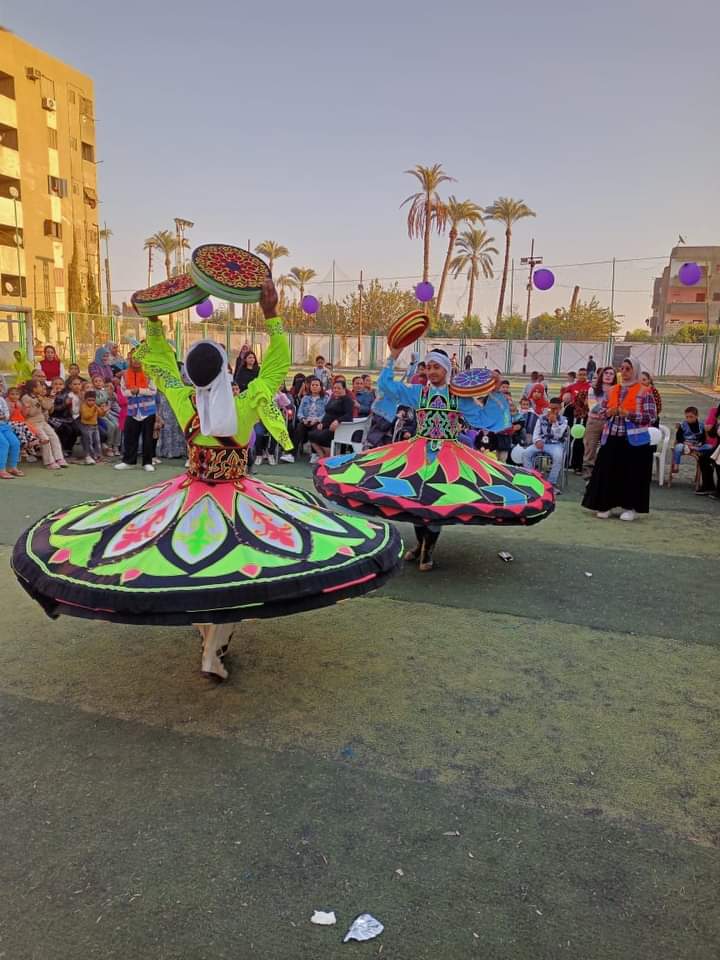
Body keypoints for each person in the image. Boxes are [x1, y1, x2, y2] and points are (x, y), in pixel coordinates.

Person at [12, 278, 401, 682]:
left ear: (195, 377)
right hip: (239, 499)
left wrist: (154, 321)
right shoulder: (247, 403)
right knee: (231, 576)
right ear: (224, 371)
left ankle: (208, 637)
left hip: (189, 495)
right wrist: (271, 316)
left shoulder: (185, 401)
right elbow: (276, 366)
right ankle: (212, 647)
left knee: (198, 569)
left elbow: (162, 366)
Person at [314, 347, 555, 572]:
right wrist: (393, 356)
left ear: (446, 370)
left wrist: (493, 389)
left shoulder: (458, 396)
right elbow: (387, 386)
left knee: (436, 501)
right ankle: (421, 545)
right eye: (428, 367)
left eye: (436, 367)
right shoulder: (418, 392)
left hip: (449, 456)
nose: (431, 371)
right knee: (417, 501)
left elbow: (483, 418)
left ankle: (427, 551)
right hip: (416, 453)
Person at [582, 357, 657, 521]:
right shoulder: (612, 390)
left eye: (628, 369)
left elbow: (651, 416)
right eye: (622, 368)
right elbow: (601, 410)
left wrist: (629, 414)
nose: (623, 372)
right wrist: (608, 412)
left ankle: (629, 507)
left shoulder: (645, 391)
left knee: (631, 475)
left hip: (635, 441)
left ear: (635, 370)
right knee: (607, 472)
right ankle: (605, 505)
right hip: (611, 436)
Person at [115, 354, 157, 472]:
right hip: (132, 411)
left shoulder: (149, 374)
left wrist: (139, 390)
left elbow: (153, 390)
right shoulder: (125, 375)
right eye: (134, 358)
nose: (136, 361)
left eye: (139, 358)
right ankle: (129, 461)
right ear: (130, 360)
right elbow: (123, 391)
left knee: (147, 437)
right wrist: (131, 392)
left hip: (148, 411)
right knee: (130, 437)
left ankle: (147, 462)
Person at [522, 397, 568, 494]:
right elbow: (536, 433)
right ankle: (533, 479)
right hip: (542, 442)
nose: (553, 411)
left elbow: (558, 436)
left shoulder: (564, 420)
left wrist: (555, 423)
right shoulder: (541, 418)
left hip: (555, 444)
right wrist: (537, 440)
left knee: (558, 456)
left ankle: (551, 483)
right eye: (551, 408)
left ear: (560, 409)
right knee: (526, 453)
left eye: (555, 409)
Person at [21, 380, 68, 469]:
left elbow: (48, 407)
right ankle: (49, 462)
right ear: (34, 389)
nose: (42, 388)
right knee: (45, 439)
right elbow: (30, 413)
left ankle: (59, 458)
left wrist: (50, 398)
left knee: (54, 437)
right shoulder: (26, 398)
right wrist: (38, 403)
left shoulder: (39, 396)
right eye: (39, 386)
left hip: (43, 422)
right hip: (33, 423)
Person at [583, 366, 617, 477]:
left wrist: (612, 411)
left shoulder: (617, 390)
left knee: (608, 450)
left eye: (611, 374)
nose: (608, 375)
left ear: (615, 377)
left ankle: (604, 476)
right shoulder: (593, 389)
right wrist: (609, 411)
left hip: (611, 423)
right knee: (590, 449)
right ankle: (588, 478)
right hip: (594, 422)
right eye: (606, 373)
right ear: (601, 375)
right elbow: (593, 407)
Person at [308, 379, 354, 460]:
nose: (336, 390)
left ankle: (328, 458)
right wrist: (322, 424)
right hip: (326, 425)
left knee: (322, 437)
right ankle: (322, 457)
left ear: (344, 389)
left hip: (339, 428)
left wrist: (337, 421)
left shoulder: (347, 400)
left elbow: (348, 415)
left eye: (339, 388)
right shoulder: (333, 398)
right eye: (334, 388)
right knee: (311, 434)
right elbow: (328, 413)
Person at [284, 375, 326, 462]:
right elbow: (300, 412)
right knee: (298, 429)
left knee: (315, 430)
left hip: (318, 422)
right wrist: (303, 419)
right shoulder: (305, 398)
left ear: (320, 387)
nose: (314, 387)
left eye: (317, 385)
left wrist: (317, 420)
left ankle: (314, 454)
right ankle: (292, 455)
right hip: (306, 421)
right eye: (312, 385)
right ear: (309, 387)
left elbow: (326, 413)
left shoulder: (325, 398)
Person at [0, 389, 23, 479]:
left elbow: (7, 413)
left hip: (3, 425)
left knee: (15, 443)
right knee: (4, 444)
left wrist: (4, 416)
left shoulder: (1, 399)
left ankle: (12, 467)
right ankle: (1, 469)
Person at [78, 389, 105, 464]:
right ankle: (90, 456)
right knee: (89, 441)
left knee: (97, 441)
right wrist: (93, 411)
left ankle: (98, 455)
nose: (91, 402)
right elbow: (86, 416)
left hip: (95, 426)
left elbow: (101, 414)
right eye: (89, 400)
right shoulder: (83, 406)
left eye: (93, 400)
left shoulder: (95, 406)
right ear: (85, 400)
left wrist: (104, 411)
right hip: (86, 426)